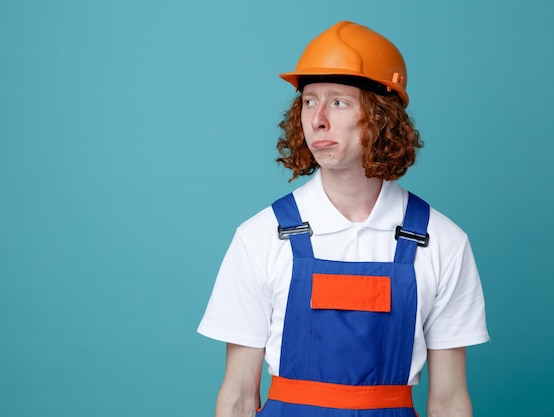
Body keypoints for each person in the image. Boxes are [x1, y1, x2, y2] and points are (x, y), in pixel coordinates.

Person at [198, 21, 489, 417]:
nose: (317, 119)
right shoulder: (261, 236)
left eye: (339, 102)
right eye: (309, 101)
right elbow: (236, 398)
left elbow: (450, 399)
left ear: (382, 117)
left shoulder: (441, 241)